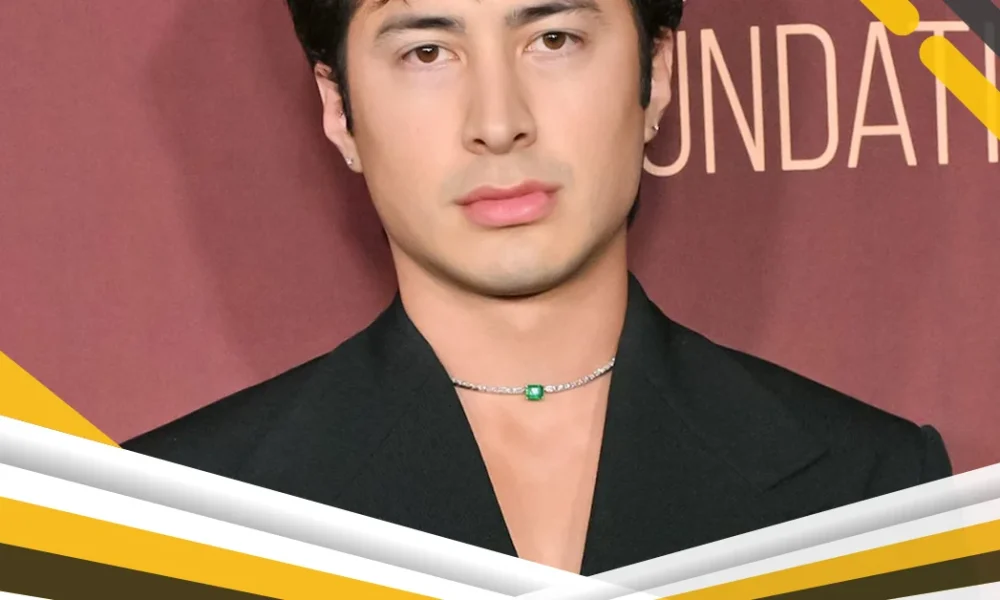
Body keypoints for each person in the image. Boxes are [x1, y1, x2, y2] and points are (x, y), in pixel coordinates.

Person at [123, 0, 952, 575]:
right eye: (427, 52)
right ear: (340, 110)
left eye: (553, 39)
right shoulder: (173, 520)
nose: (497, 121)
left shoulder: (871, 491)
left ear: (658, 73)